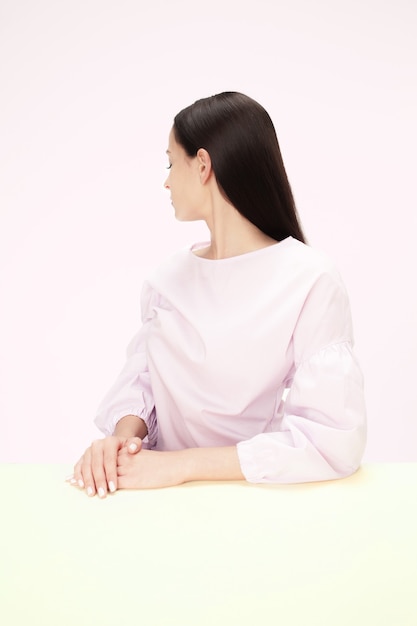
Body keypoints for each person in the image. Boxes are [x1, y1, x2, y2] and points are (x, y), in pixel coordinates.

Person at [68, 91, 366, 498]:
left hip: (253, 499)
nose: (167, 180)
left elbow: (330, 441)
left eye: (172, 162)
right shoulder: (167, 280)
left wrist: (183, 466)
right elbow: (144, 382)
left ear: (203, 165)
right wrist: (121, 445)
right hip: (153, 499)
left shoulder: (310, 279)